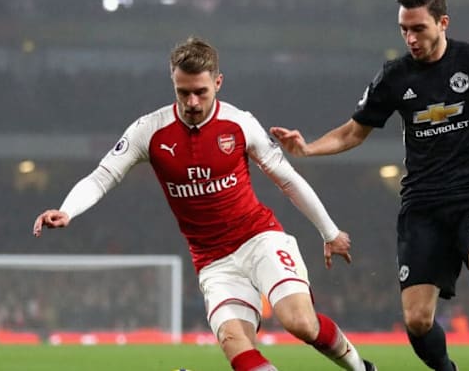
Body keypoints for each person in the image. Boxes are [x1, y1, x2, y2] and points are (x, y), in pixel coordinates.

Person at [33, 37, 377, 371]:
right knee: (234, 341)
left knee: (301, 323)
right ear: (173, 82)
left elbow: (288, 180)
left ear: (218, 82)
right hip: (213, 261)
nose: (193, 102)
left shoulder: (239, 122)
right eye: (183, 92)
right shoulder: (149, 130)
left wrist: (329, 232)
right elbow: (102, 176)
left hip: (260, 239)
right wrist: (67, 209)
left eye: (201, 91)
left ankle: (361, 368)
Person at [271, 0, 469, 371]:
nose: (410, 38)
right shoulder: (394, 76)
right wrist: (307, 149)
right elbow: (355, 131)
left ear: (443, 23)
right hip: (423, 206)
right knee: (418, 321)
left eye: (418, 28)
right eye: (404, 29)